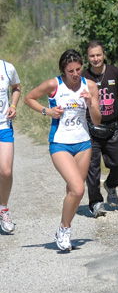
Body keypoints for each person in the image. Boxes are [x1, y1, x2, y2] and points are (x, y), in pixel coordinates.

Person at [24, 49, 101, 251]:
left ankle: (64, 229)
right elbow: (28, 98)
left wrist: (89, 103)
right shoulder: (54, 85)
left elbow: (97, 119)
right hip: (60, 143)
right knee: (78, 188)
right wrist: (46, 110)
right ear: (63, 71)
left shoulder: (89, 86)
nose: (75, 74)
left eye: (78, 69)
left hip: (83, 143)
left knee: (73, 192)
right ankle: (64, 229)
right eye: (70, 71)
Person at [82, 40, 118, 218]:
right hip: (91, 129)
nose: (95, 59)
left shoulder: (115, 72)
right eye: (92, 56)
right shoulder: (83, 77)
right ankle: (96, 203)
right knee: (92, 168)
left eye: (98, 55)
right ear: (87, 58)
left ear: (104, 54)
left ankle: (111, 185)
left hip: (113, 127)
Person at [0, 59, 21, 234]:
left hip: (3, 127)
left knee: (6, 171)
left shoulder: (7, 68)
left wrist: (13, 105)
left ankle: (3, 209)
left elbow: (16, 87)